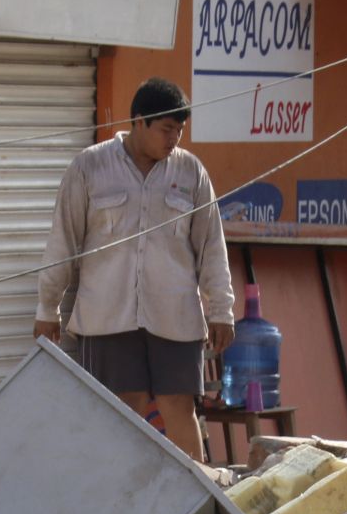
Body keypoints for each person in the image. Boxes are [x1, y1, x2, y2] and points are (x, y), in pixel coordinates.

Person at [34, 77, 234, 461]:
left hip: (176, 318)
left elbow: (212, 247)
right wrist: (47, 309)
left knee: (180, 409)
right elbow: (63, 241)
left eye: (179, 130)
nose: (174, 138)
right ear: (139, 121)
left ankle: (199, 506)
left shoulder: (192, 173)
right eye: (166, 129)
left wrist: (222, 310)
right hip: (107, 317)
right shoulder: (90, 167)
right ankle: (113, 502)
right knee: (120, 414)